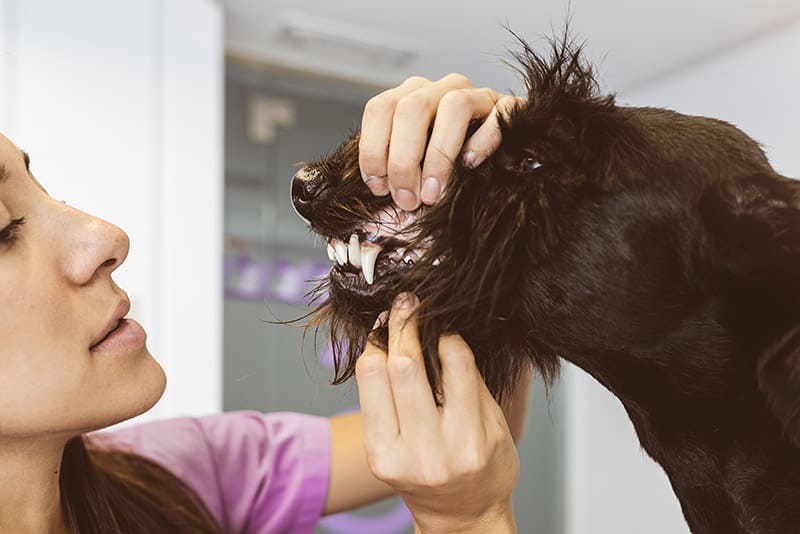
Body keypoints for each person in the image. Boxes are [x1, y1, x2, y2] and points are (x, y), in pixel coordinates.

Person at [0, 74, 525, 534]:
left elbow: (466, 442)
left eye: (48, 192)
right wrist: (465, 522)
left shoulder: (177, 476)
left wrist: (497, 210)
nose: (107, 237)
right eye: (4, 229)